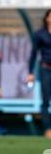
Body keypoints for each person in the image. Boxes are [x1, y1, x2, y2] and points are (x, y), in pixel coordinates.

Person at [27, 9, 51, 138]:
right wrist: (30, 72)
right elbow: (33, 53)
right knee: (46, 100)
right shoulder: (40, 34)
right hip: (46, 69)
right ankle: (48, 129)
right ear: (47, 18)